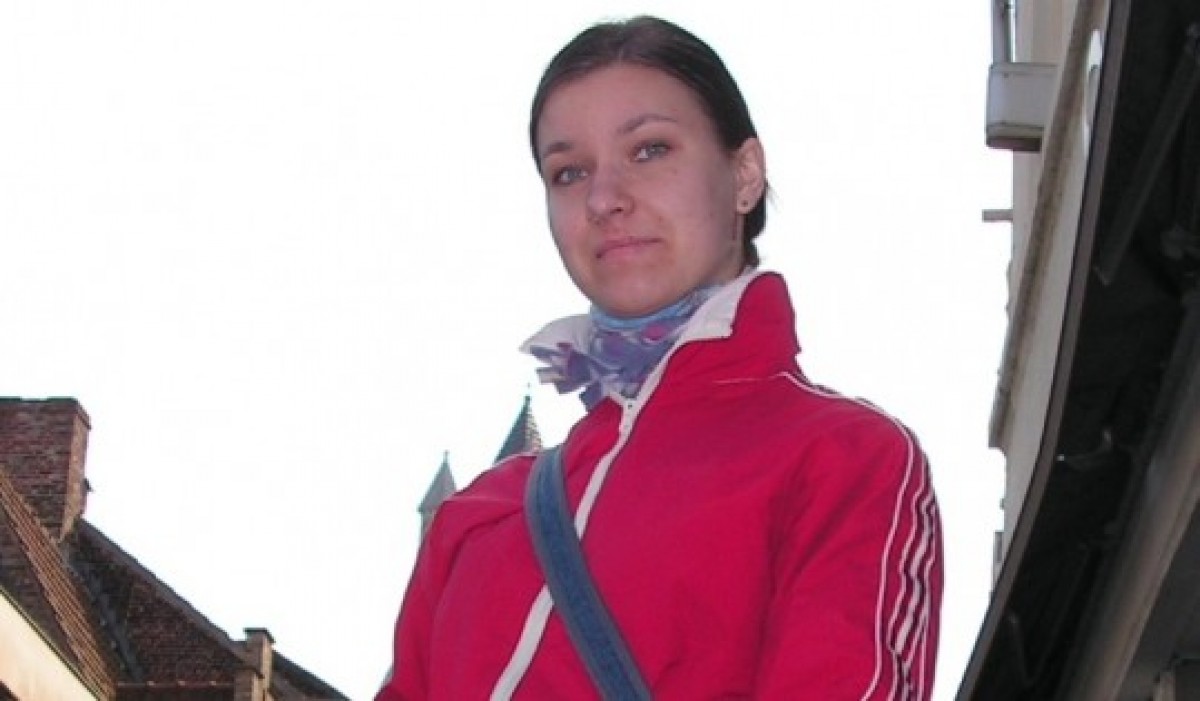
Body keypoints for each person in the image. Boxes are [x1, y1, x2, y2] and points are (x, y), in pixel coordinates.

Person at [377, 15, 941, 700]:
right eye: (568, 171)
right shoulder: (474, 515)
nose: (604, 199)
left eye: (649, 150)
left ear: (744, 175)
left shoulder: (844, 458)